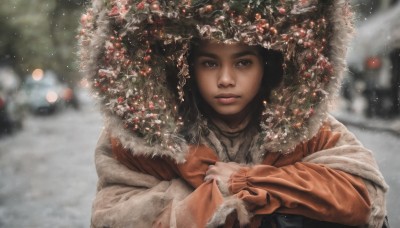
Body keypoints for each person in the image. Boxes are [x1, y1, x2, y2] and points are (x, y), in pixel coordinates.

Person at [78, 0, 389, 227]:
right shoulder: (139, 141)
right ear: (189, 66)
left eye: (242, 63)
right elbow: (112, 216)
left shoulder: (308, 131)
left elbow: (366, 199)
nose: (225, 79)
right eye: (210, 63)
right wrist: (216, 194)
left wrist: (249, 182)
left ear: (265, 65)